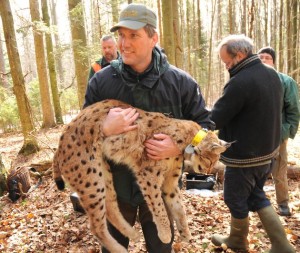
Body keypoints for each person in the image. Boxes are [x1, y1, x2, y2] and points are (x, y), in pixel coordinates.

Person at [83, 3, 215, 253]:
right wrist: (103, 128)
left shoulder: (181, 83)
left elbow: (205, 130)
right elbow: (79, 135)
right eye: (121, 35)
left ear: (154, 38)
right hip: (115, 191)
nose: (124, 43)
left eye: (133, 35)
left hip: (160, 192)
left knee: (162, 248)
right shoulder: (101, 82)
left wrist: (180, 147)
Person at [210, 35, 295, 253]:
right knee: (255, 194)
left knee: (233, 197)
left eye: (226, 61)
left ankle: (238, 240)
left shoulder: (240, 81)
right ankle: (281, 244)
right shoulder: (271, 74)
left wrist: (195, 126)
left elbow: (217, 117)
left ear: (239, 55)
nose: (226, 65)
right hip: (267, 153)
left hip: (245, 155)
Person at [258, 46, 300, 216]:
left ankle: (283, 203)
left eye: (266, 57)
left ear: (273, 61)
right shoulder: (252, 81)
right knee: (256, 170)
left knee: (279, 170)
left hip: (278, 135)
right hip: (256, 135)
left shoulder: (285, 81)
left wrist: (286, 132)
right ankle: (257, 202)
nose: (263, 60)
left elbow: (294, 110)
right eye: (260, 58)